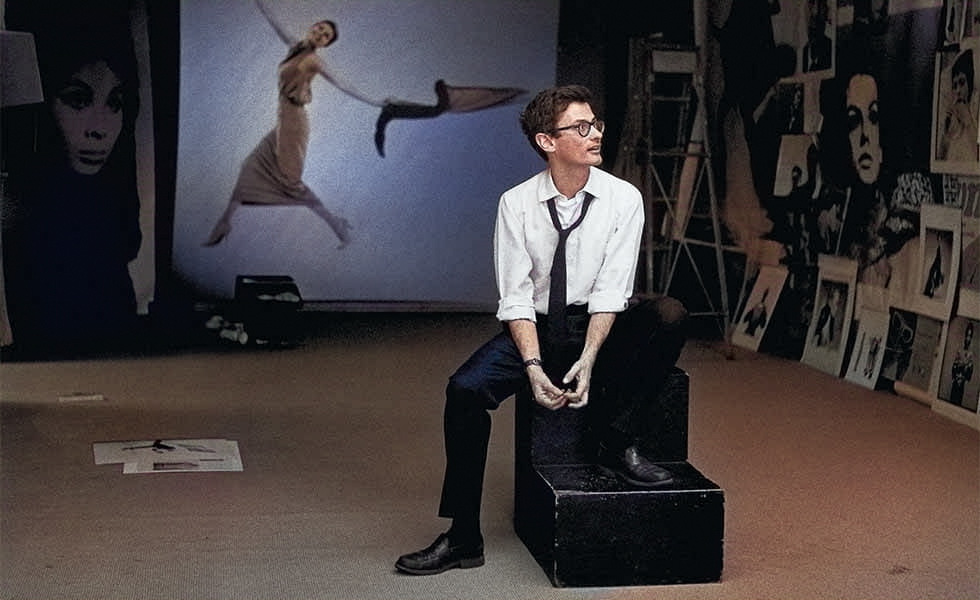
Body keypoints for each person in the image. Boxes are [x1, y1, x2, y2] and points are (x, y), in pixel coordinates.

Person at [394, 85, 688, 576]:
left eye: (596, 124)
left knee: (669, 314)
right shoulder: (516, 204)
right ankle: (463, 536)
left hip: (599, 323)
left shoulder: (623, 199)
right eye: (581, 127)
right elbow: (514, 296)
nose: (595, 134)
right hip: (540, 325)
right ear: (547, 141)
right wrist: (532, 366)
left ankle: (616, 442)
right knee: (464, 390)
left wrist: (590, 357)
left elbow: (612, 290)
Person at [2, 9, 142, 355]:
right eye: (78, 100)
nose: (100, 128)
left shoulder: (108, 217)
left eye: (115, 102)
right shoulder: (19, 217)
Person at [204, 0, 385, 248]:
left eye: (326, 36)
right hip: (284, 117)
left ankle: (338, 226)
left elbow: (343, 84)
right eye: (320, 28)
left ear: (325, 44)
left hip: (294, 124)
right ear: (313, 26)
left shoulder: (314, 61)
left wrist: (376, 102)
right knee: (252, 165)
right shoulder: (295, 47)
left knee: (291, 183)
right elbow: (275, 23)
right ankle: (225, 221)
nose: (320, 34)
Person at [937, 49, 978, 163]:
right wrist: (945, 134)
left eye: (962, 82)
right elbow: (940, 159)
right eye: (954, 86)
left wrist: (968, 121)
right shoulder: (952, 117)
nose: (958, 90)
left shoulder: (976, 108)